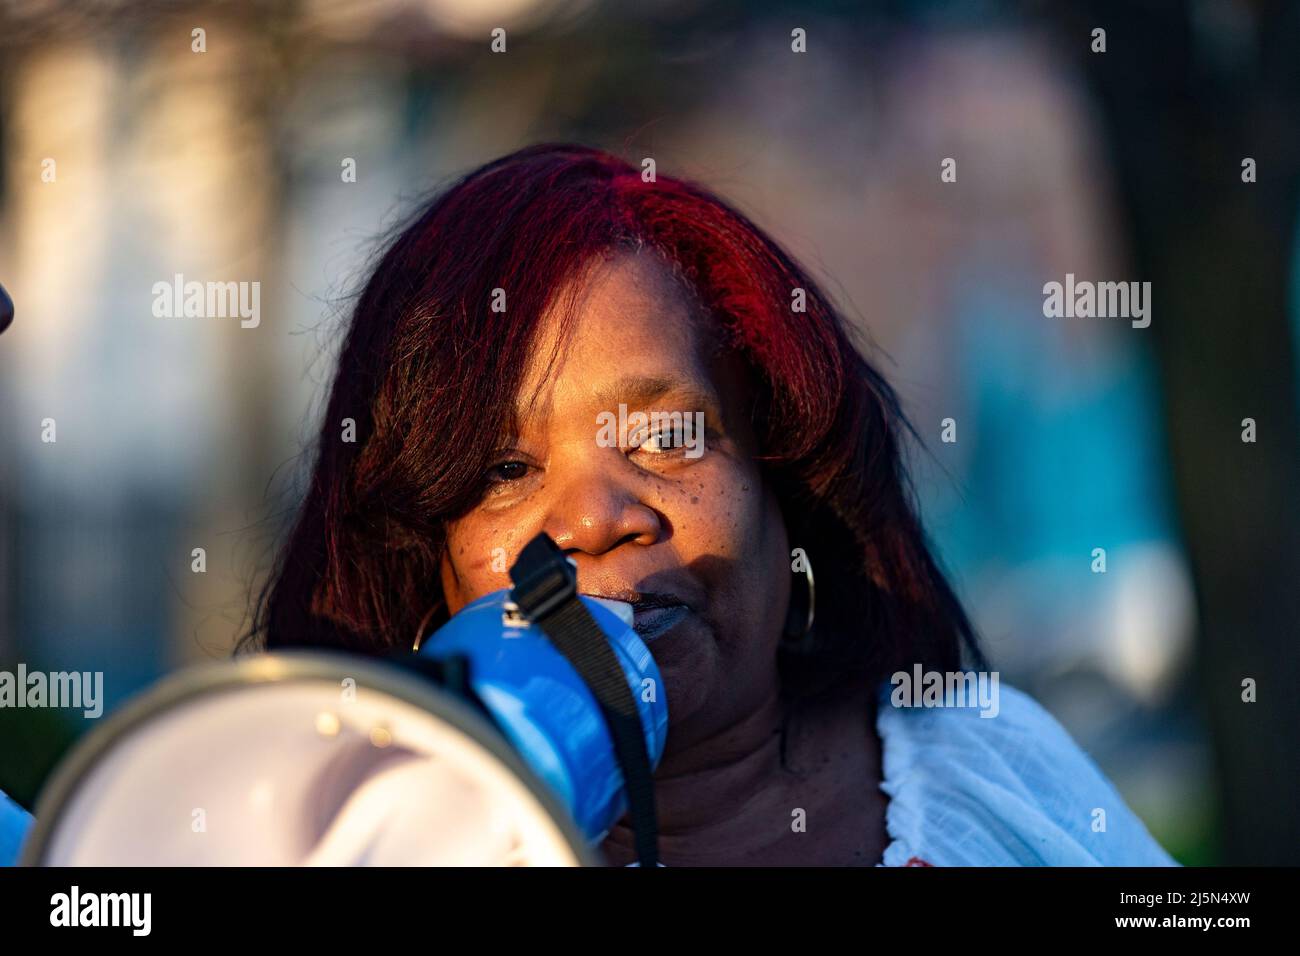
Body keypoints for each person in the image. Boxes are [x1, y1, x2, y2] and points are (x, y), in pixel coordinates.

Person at [246, 143, 1176, 866]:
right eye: (502, 470)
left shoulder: (985, 774)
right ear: (427, 567)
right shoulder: (337, 836)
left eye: (667, 437)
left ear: (784, 491)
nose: (594, 519)